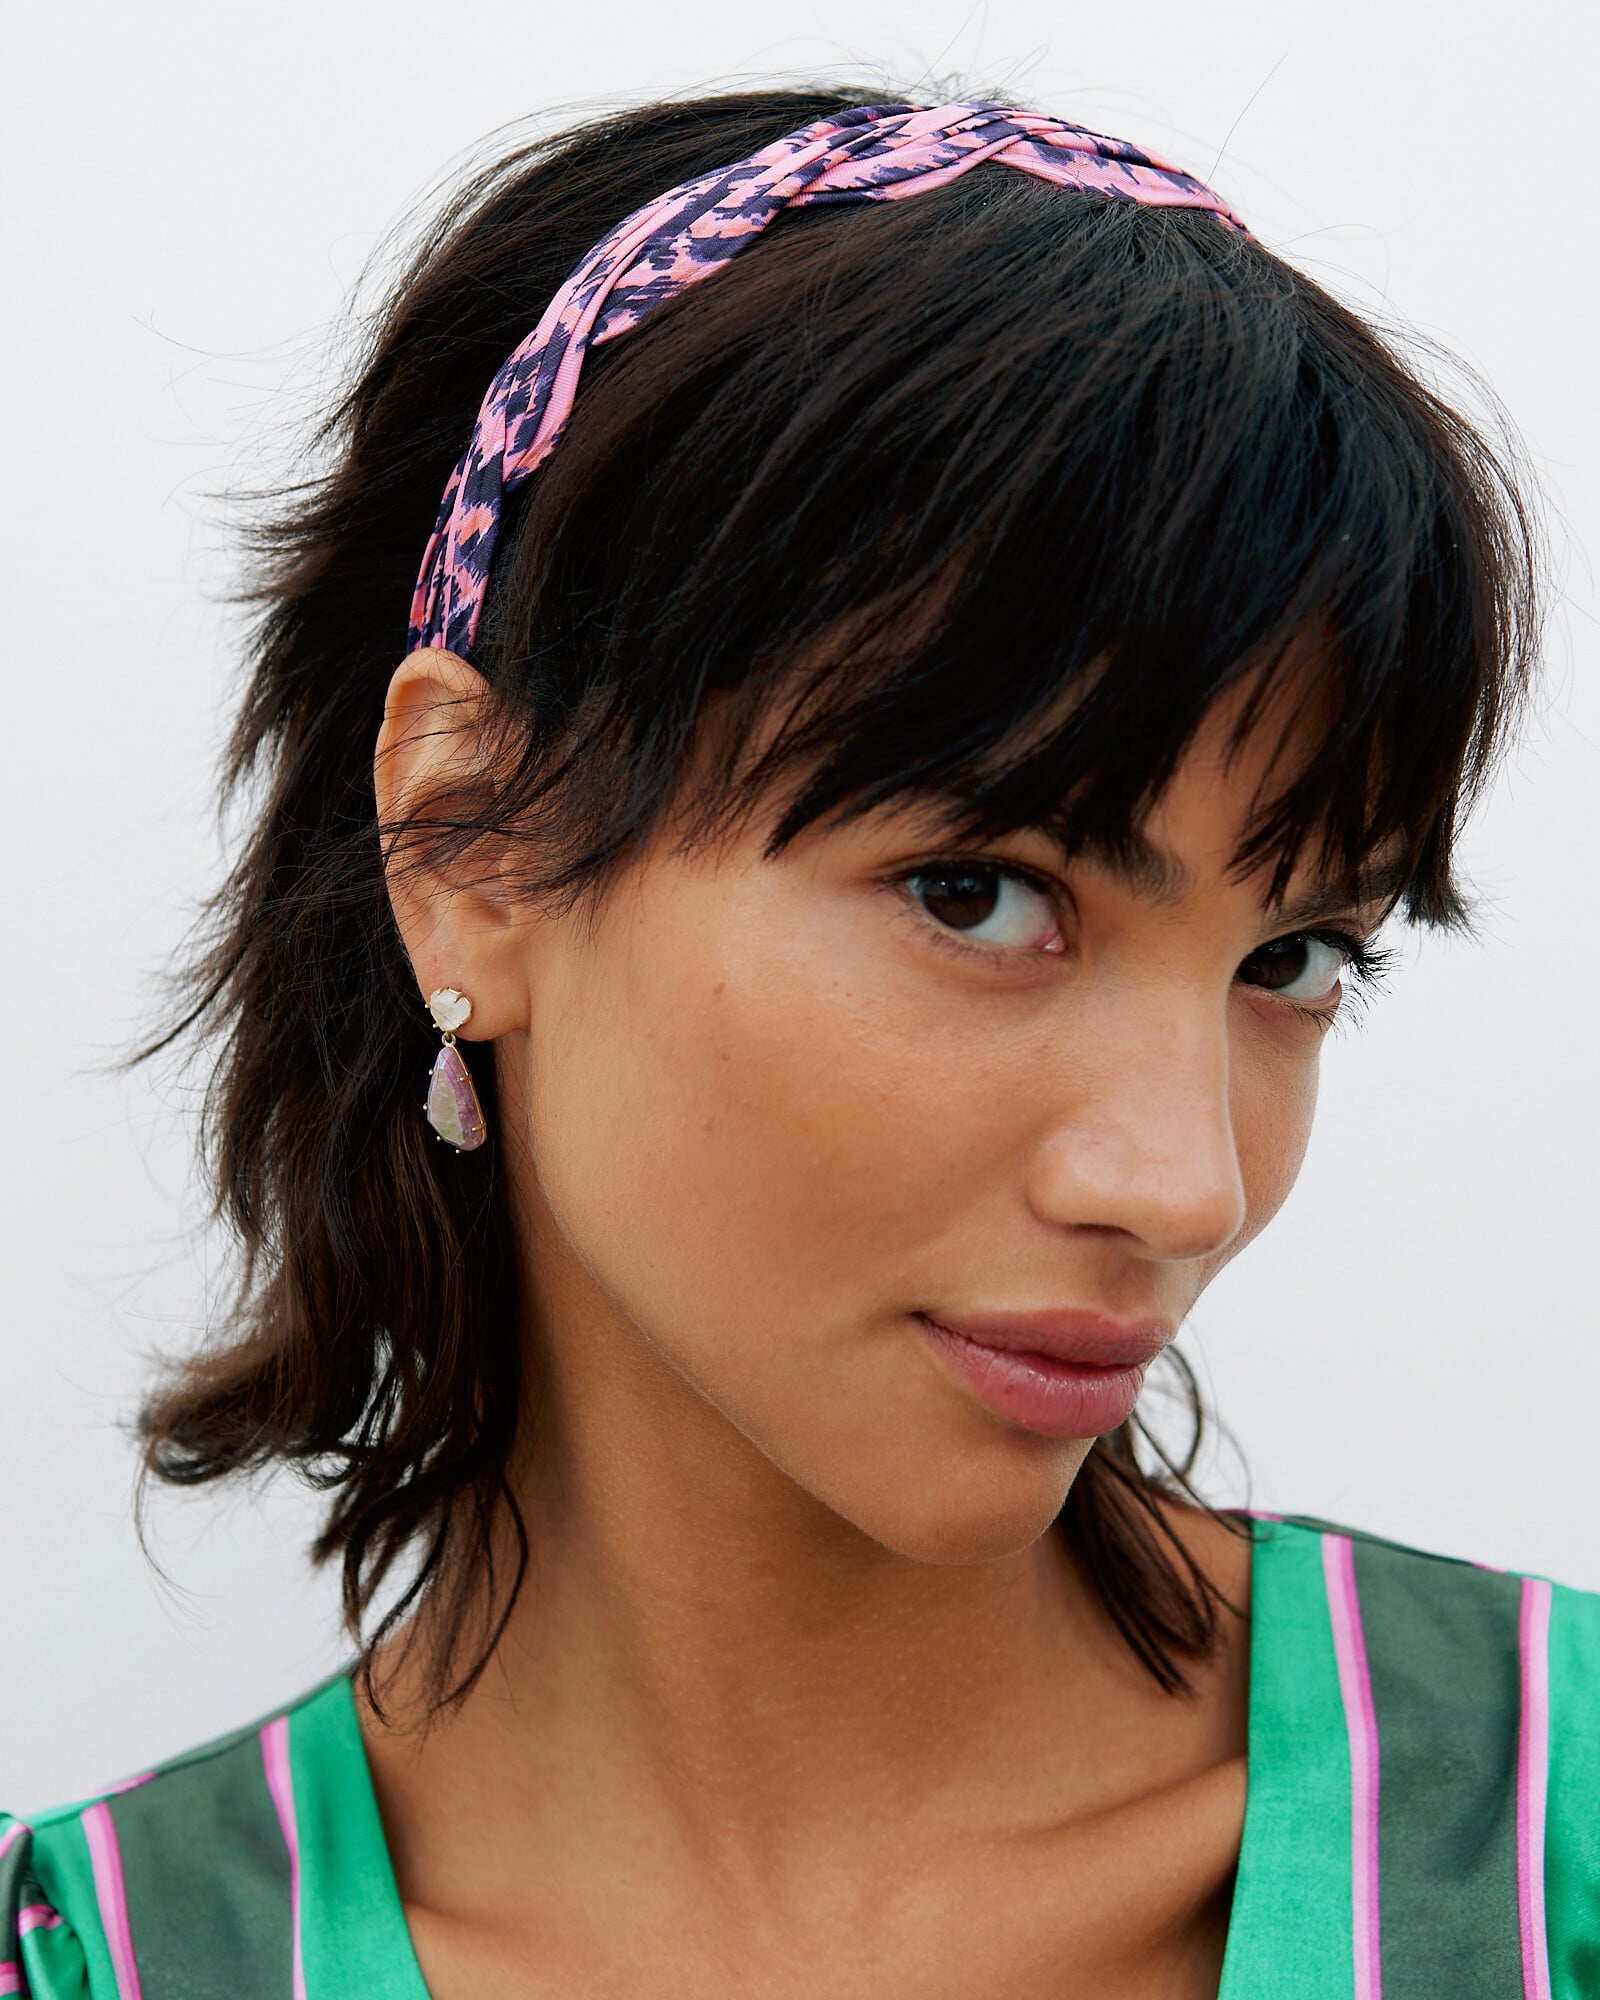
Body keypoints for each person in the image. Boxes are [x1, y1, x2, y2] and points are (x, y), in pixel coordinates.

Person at [2, 88, 1594, 2000]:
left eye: (1298, 956)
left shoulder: (1554, 1840)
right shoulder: (99, 1962)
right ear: (471, 845)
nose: (1187, 1185)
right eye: (981, 896)